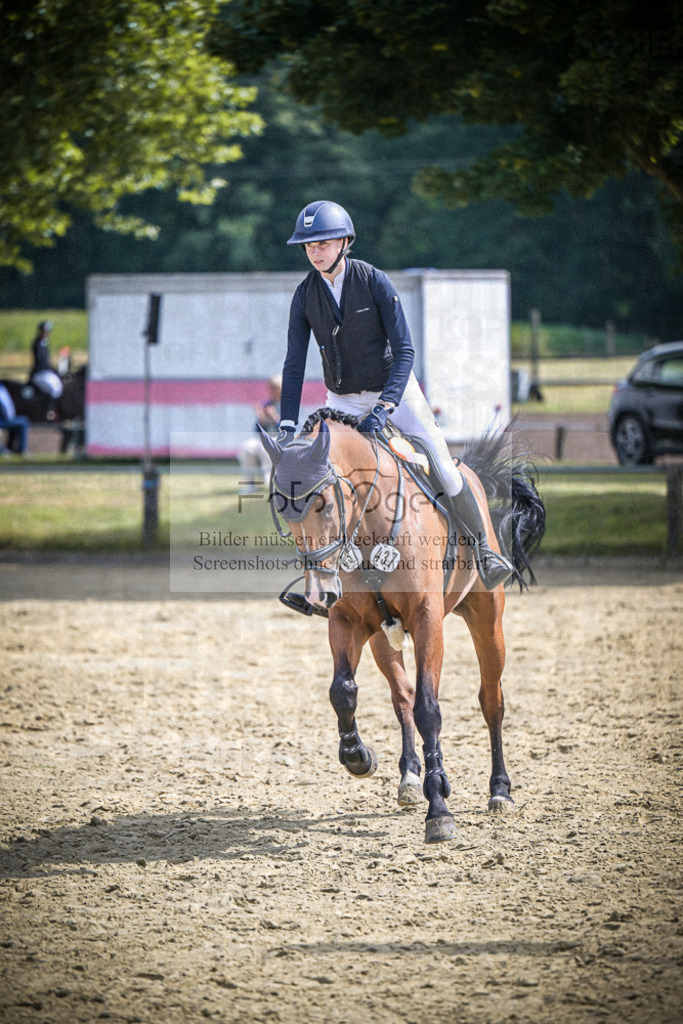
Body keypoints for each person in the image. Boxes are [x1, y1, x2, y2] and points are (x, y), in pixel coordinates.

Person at [277, 199, 514, 590]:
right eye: (308, 246)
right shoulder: (305, 295)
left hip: (396, 393)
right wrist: (287, 423)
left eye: (322, 243)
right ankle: (325, 573)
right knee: (322, 476)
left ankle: (485, 551)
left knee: (442, 465)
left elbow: (405, 351)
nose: (314, 252)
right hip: (341, 400)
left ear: (344, 242)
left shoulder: (373, 281)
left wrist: (385, 406)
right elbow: (293, 365)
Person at [239, 374, 282, 492]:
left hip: (281, 439)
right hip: (264, 438)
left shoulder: (289, 405)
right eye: (270, 388)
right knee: (248, 447)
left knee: (266, 446)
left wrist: (275, 418)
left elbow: (292, 429)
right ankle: (249, 485)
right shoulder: (266, 404)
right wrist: (261, 420)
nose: (272, 391)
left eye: (275, 388)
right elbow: (257, 431)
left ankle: (271, 481)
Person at [29, 320, 63, 401]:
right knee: (54, 389)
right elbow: (41, 360)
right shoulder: (38, 343)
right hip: (40, 373)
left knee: (59, 385)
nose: (46, 333)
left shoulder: (45, 342)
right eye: (44, 331)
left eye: (47, 331)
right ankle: (49, 407)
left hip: (46, 371)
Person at [0, 382, 30, 455]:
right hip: (2, 421)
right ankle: (21, 451)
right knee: (24, 421)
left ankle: (9, 448)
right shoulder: (1, 390)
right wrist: (10, 417)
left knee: (16, 423)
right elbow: (6, 407)